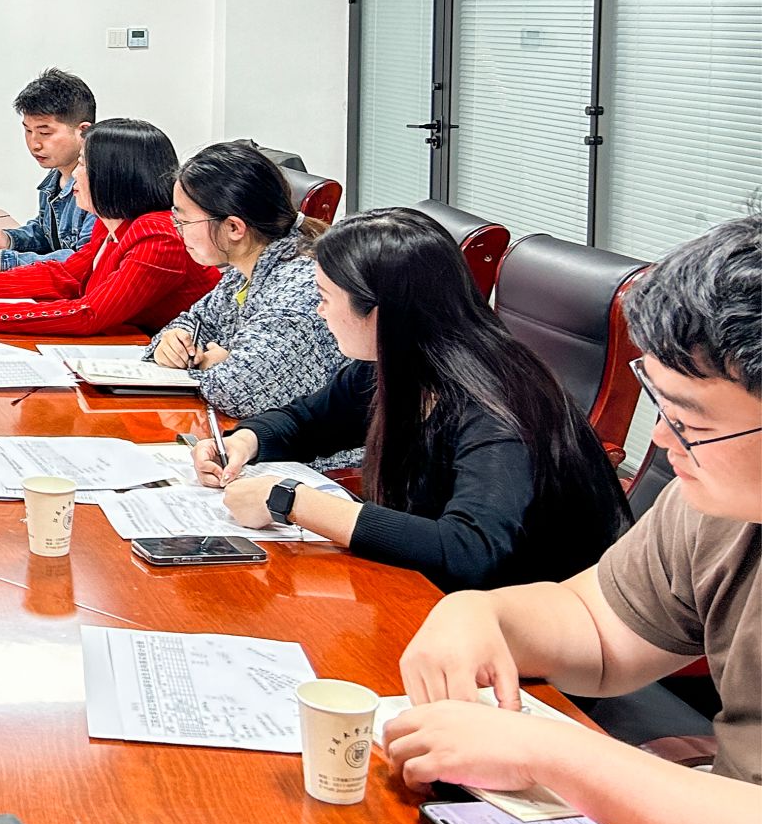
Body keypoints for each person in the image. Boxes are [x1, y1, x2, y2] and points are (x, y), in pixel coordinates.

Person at [382, 216, 761, 824]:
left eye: (690, 421)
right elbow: (597, 625)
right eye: (661, 407)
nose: (662, 442)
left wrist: (555, 756)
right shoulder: (715, 507)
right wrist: (481, 615)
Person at [194, 208, 631, 591]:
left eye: (325, 298)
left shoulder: (497, 405)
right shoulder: (399, 361)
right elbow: (307, 422)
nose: (319, 311)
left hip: (526, 621)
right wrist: (243, 442)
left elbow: (468, 551)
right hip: (433, 596)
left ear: (379, 313)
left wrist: (291, 501)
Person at [0, 118, 215, 336]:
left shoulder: (159, 235)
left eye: (83, 165)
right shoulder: (112, 223)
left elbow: (90, 313)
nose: (75, 174)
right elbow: (69, 276)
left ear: (114, 176)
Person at [147, 140, 343, 417]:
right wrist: (172, 342)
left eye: (184, 222)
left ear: (233, 227)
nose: (179, 230)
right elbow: (195, 322)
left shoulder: (301, 289)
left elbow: (235, 392)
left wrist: (208, 363)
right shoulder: (246, 269)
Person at [0, 69, 98, 277]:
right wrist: (8, 239)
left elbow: (84, 261)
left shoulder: (98, 186)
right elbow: (46, 233)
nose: (34, 143)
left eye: (45, 132)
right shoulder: (55, 177)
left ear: (83, 131)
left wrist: (4, 261)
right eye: (28, 131)